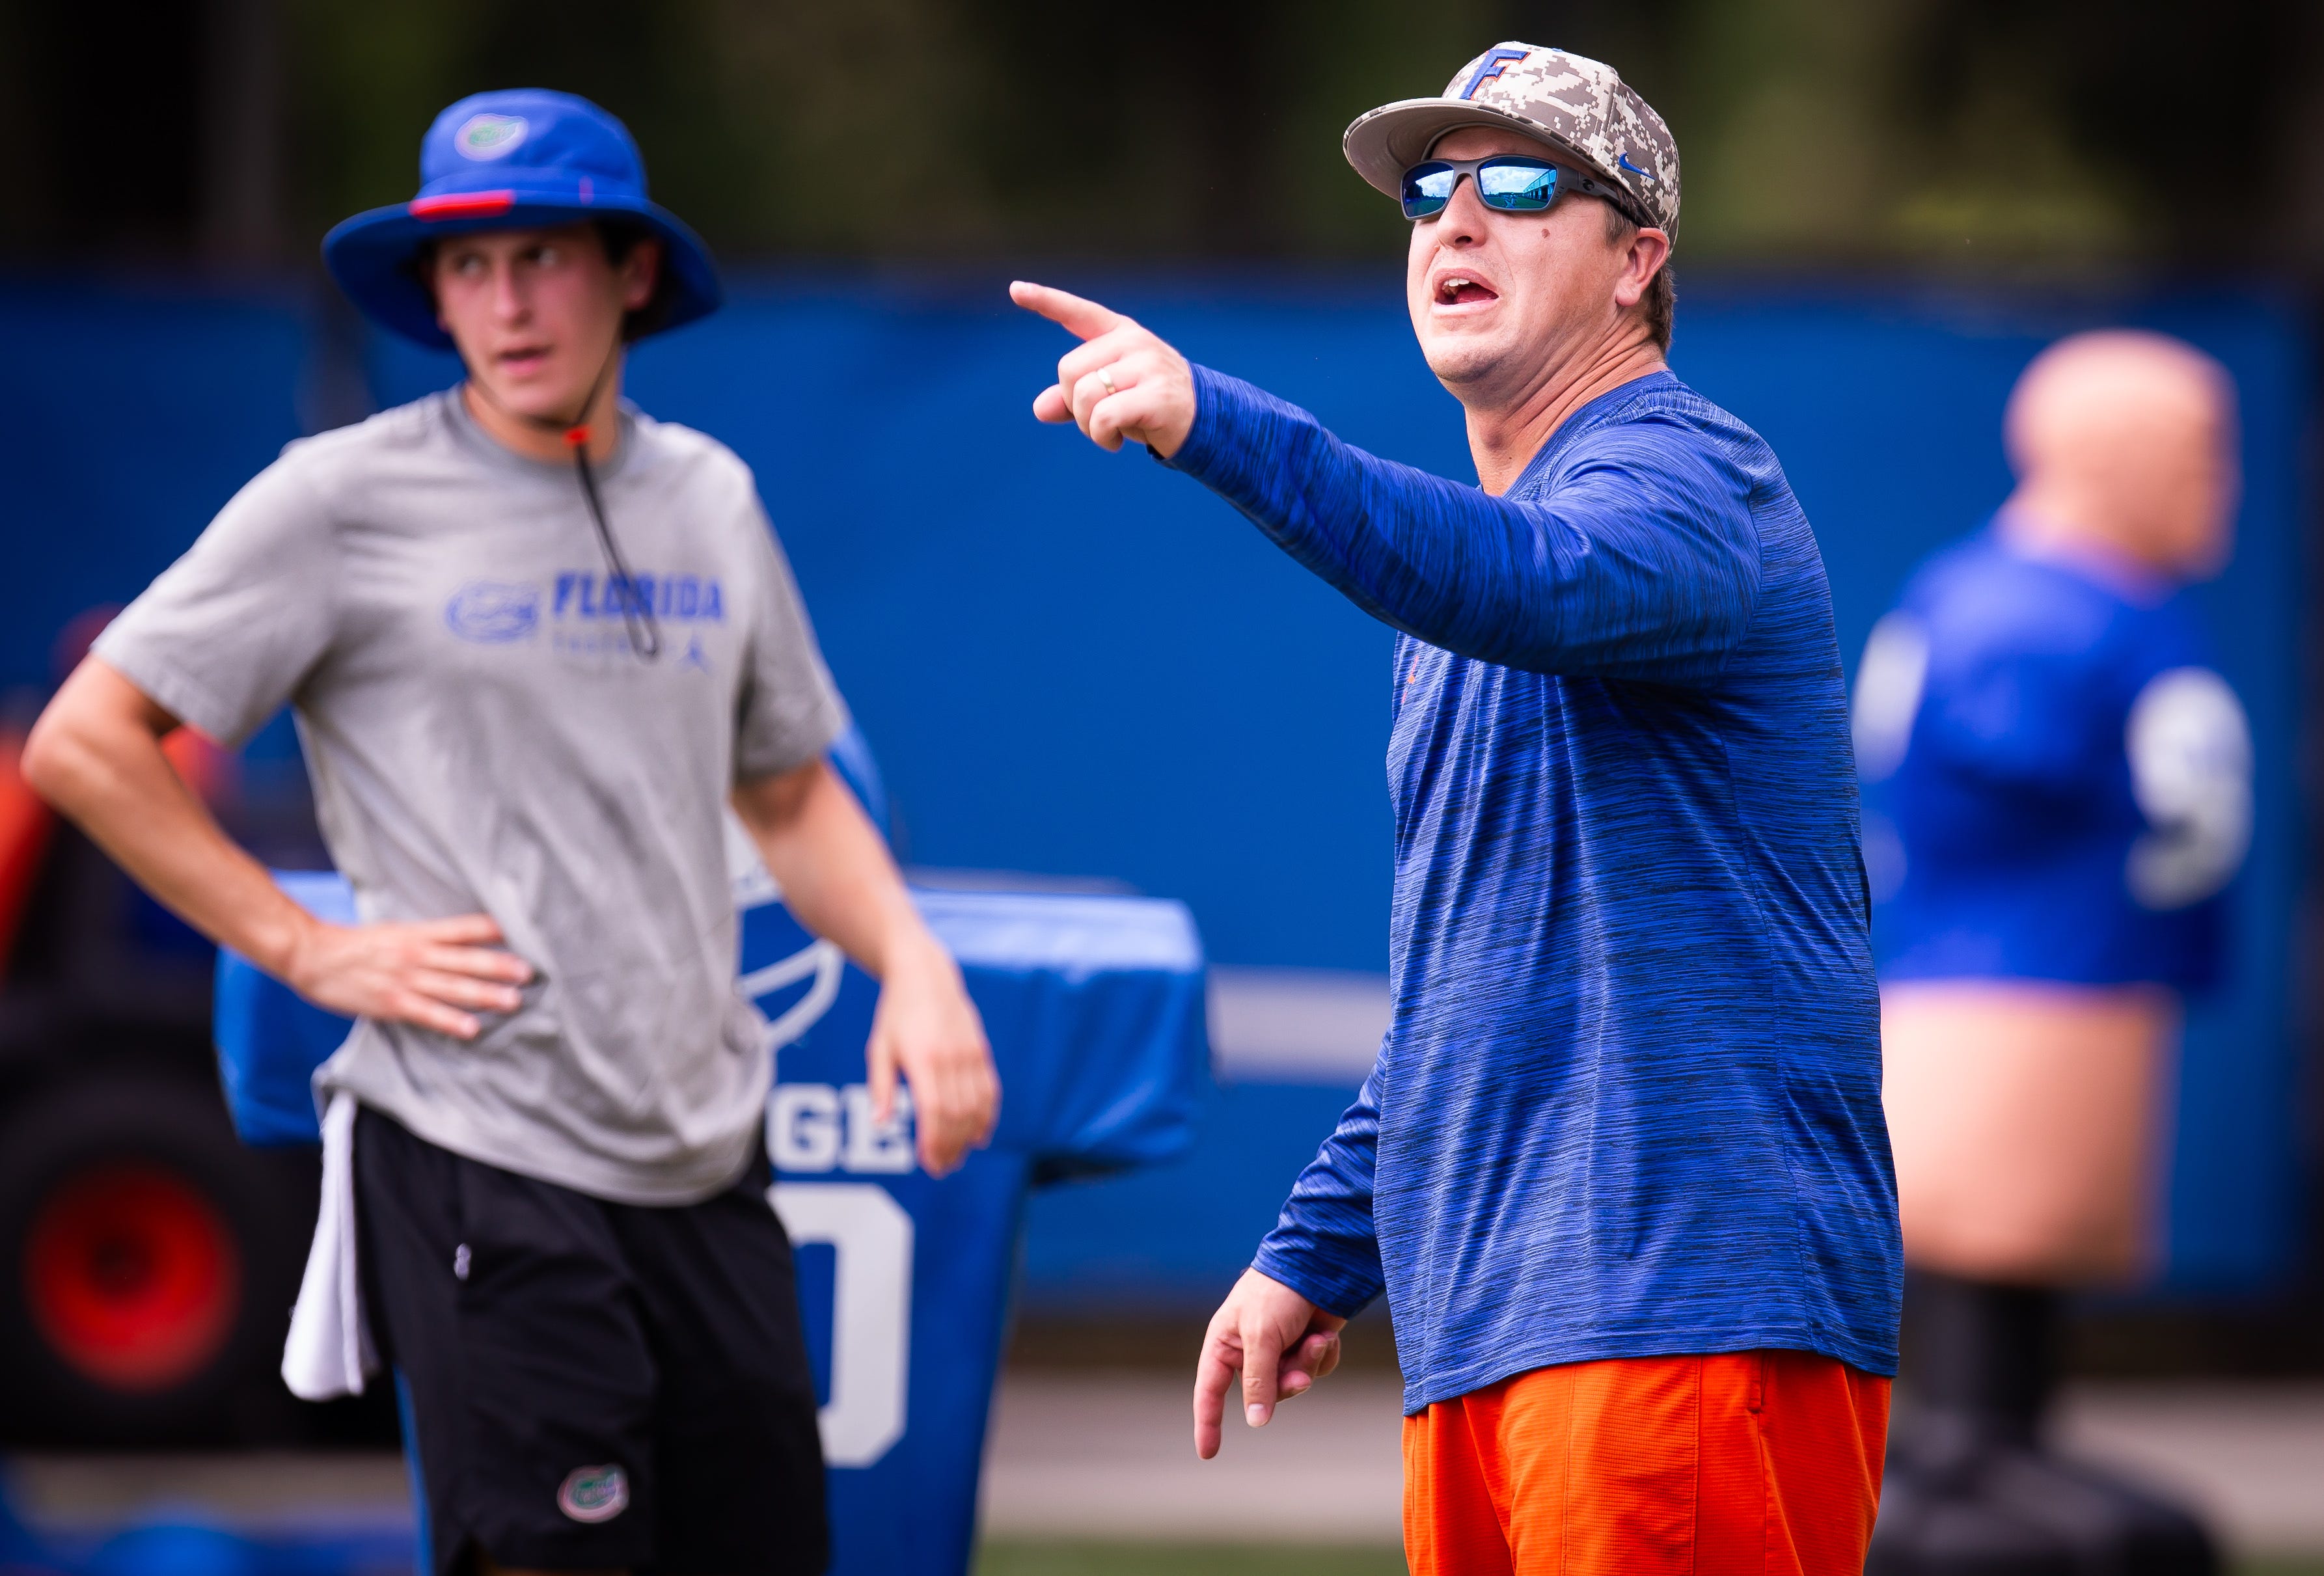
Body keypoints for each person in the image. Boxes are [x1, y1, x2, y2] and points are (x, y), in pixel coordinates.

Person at [22, 88, 998, 1576]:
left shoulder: (709, 501)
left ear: (633, 275)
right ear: (432, 292)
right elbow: (91, 740)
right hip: (479, 1148)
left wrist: (914, 966)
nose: (506, 299)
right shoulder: (339, 501)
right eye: (469, 265)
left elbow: (790, 788)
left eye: (543, 256)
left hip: (703, 1159)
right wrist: (304, 944)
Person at [1013, 42, 1898, 1575]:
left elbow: (1523, 581)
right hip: (1491, 1326)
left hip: (1683, 1310)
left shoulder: (1694, 478)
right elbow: (1470, 990)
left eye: (1514, 182)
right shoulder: (1455, 609)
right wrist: (1315, 1249)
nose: (1454, 219)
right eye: (1431, 189)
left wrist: (1208, 419)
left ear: (1639, 261)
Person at [1858, 331, 2247, 1570]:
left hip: (2071, 987)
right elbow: (1982, 785)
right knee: (1988, 1245)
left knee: (2026, 1274)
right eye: (2192, 452)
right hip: (2009, 1003)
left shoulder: (2082, 603)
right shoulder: (2023, 615)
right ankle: (1961, 1467)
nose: (2216, 482)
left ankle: (1993, 1453)